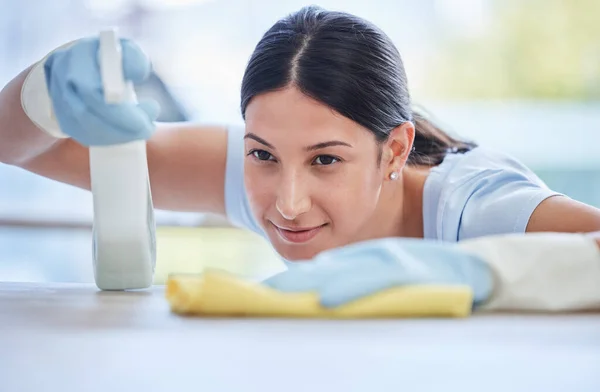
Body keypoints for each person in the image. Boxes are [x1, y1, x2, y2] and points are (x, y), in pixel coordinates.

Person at [0, 6, 599, 311]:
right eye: (263, 154)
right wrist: (42, 94)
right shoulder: (252, 164)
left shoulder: (481, 208)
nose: (286, 203)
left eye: (326, 161)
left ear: (394, 149)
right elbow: (18, 145)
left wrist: (482, 272)